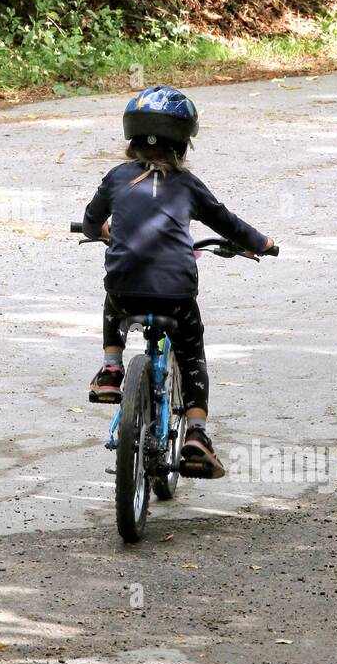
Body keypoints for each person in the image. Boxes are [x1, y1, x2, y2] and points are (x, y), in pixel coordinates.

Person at [81, 85, 273, 479]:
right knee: (190, 350)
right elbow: (228, 224)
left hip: (124, 290)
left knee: (113, 299)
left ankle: (111, 369)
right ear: (183, 145)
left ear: (131, 139)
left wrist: (103, 231)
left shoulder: (116, 178)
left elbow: (89, 221)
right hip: (176, 294)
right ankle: (198, 436)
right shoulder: (189, 186)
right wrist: (261, 243)